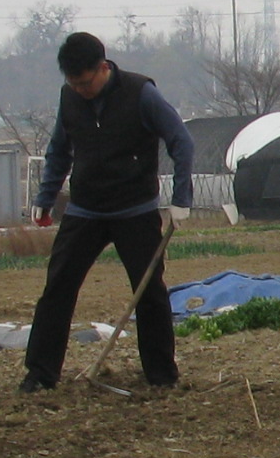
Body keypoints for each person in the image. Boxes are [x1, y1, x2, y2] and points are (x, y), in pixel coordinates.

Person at [21, 30, 196, 392]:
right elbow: (59, 149)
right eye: (73, 83)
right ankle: (40, 374)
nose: (80, 90)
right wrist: (46, 196)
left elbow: (181, 140)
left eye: (85, 83)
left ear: (103, 68)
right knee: (57, 288)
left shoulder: (141, 93)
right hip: (85, 209)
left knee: (148, 291)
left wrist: (182, 198)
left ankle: (161, 375)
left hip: (135, 209)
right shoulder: (69, 97)